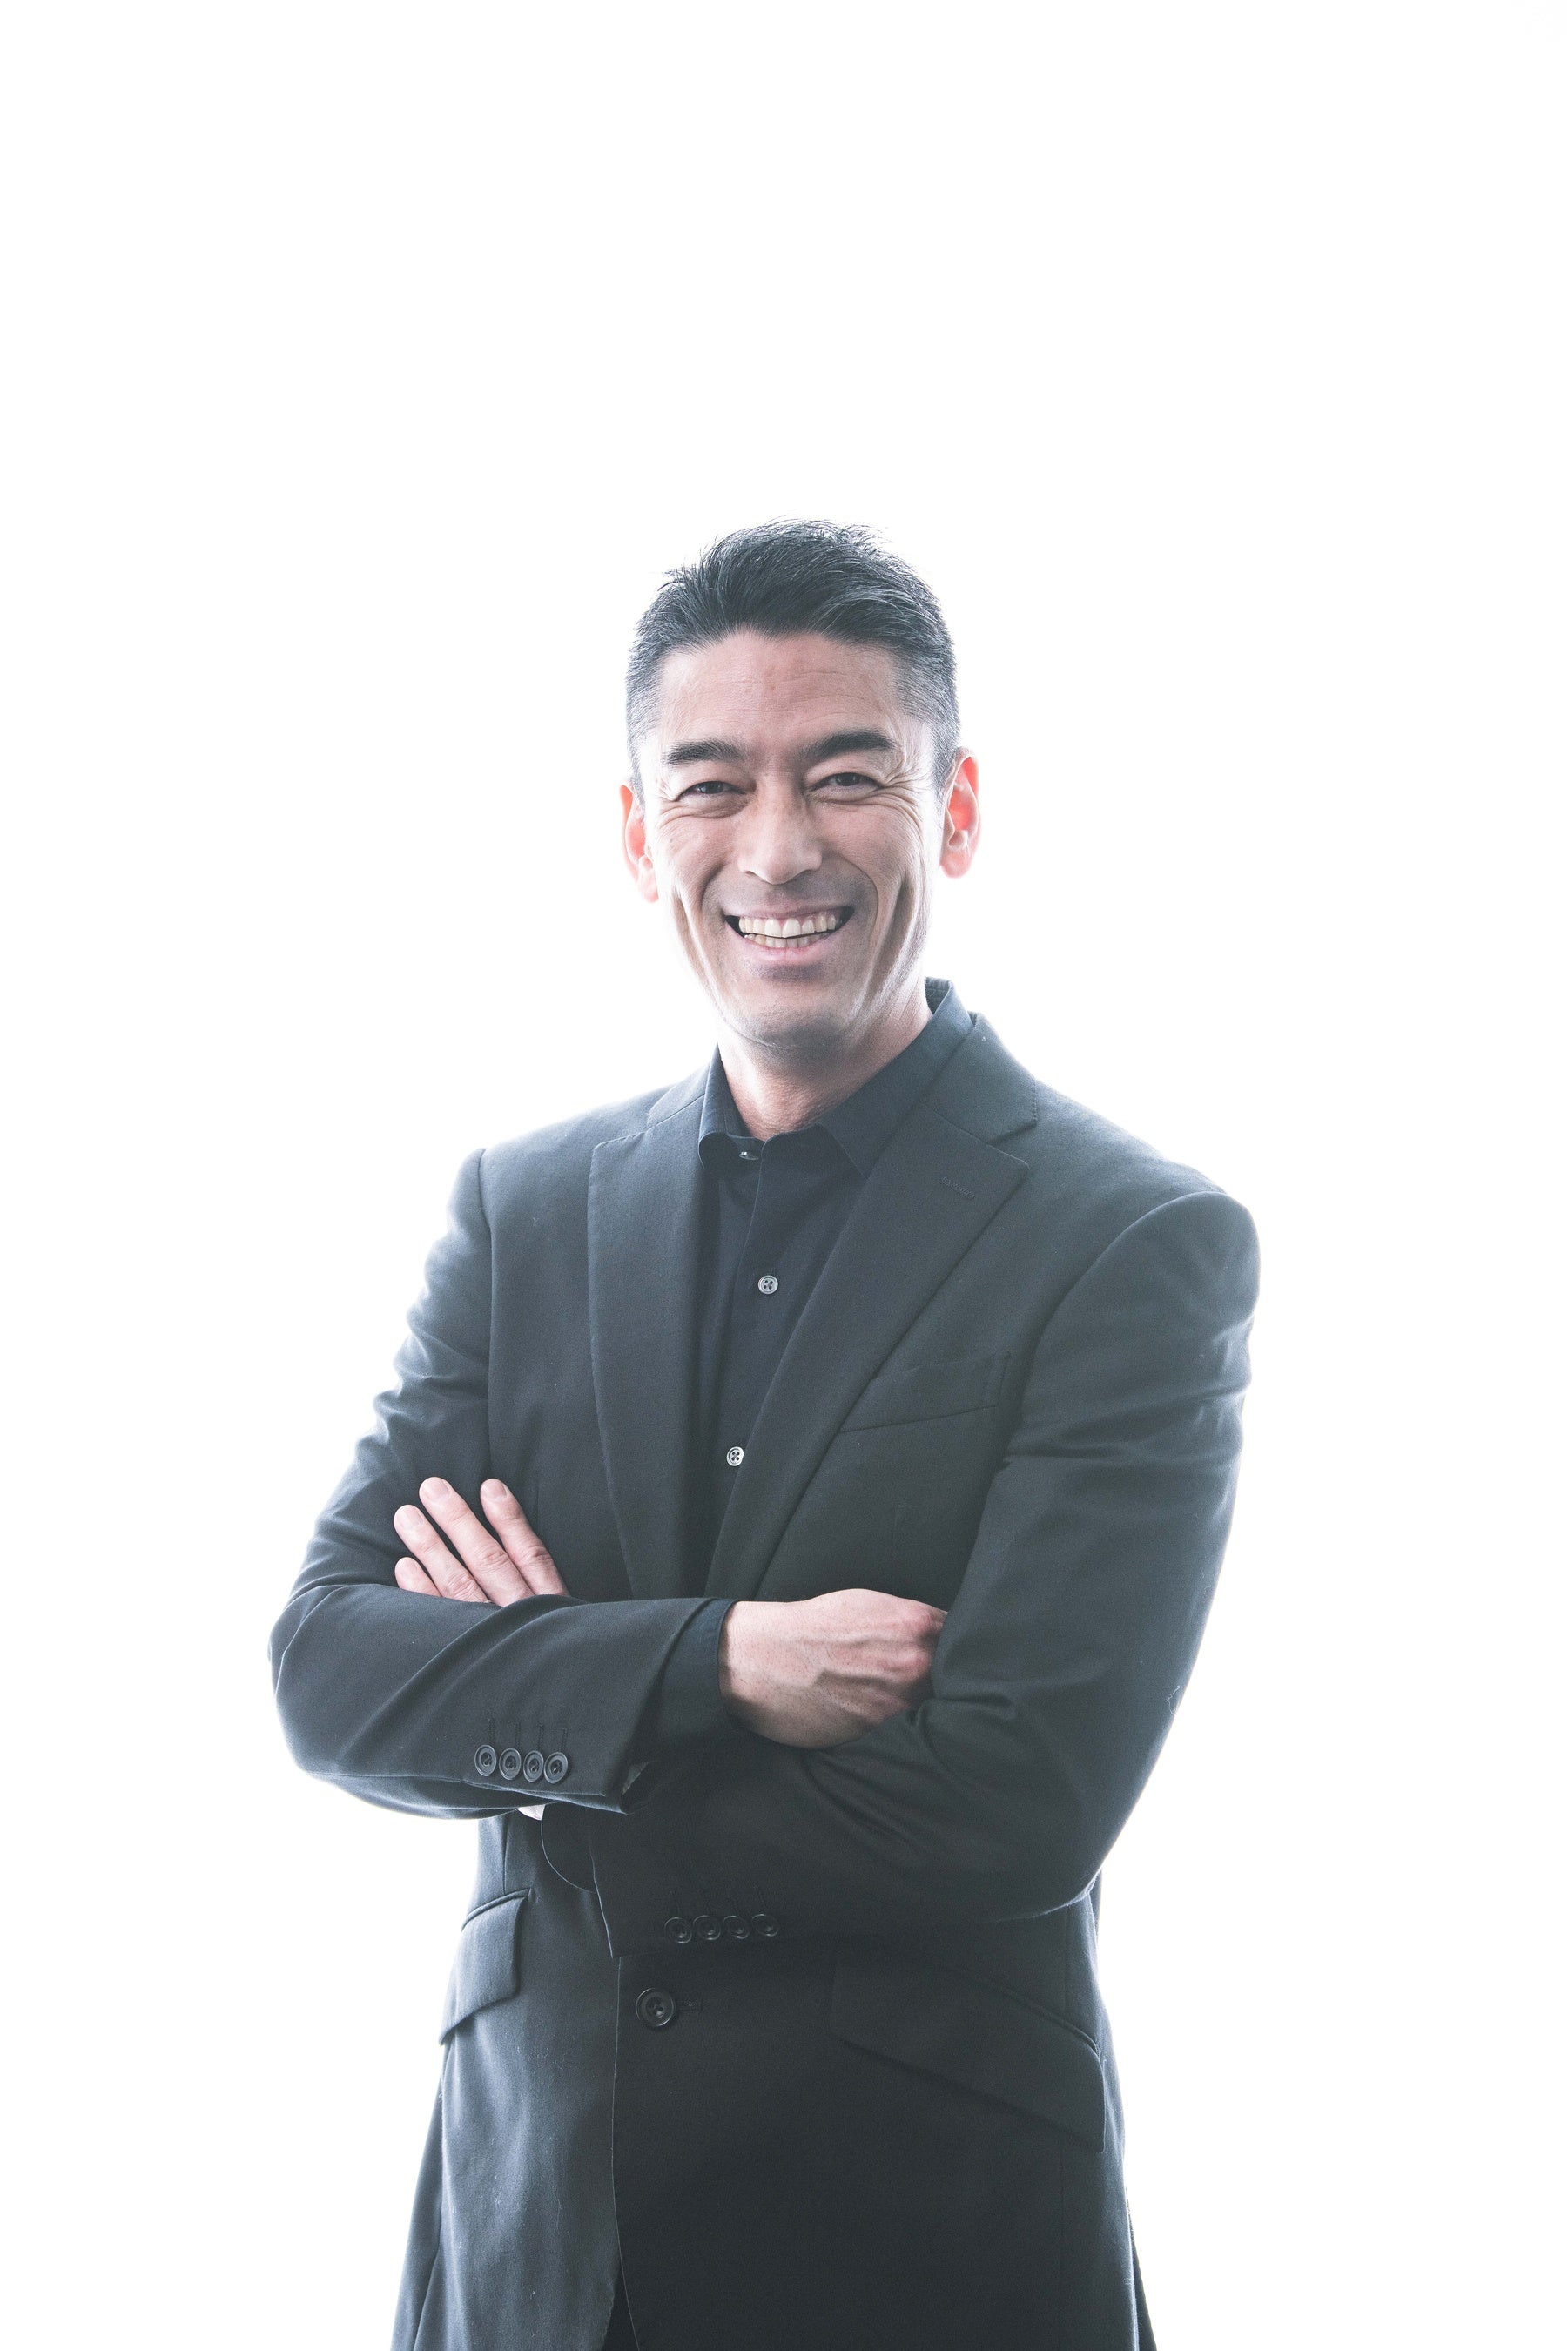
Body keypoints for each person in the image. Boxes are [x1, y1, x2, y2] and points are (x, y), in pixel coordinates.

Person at [270, 520, 1259, 2351]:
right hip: (530, 2248)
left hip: (920, 2252)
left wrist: (541, 1718)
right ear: (638, 834)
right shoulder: (523, 1211)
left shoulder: (1127, 1241)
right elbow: (329, 1671)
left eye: (846, 777)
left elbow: (1008, 1807)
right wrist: (716, 1662)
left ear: (954, 812)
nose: (778, 846)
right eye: (711, 785)